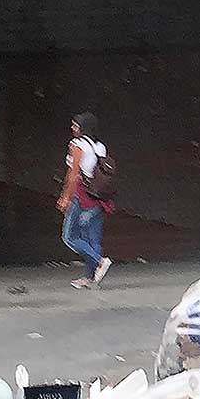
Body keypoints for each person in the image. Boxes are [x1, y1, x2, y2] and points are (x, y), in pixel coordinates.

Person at [57, 113, 112, 289]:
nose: (73, 128)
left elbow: (73, 174)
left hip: (81, 195)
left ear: (83, 127)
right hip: (99, 197)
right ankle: (91, 278)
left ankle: (99, 261)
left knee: (69, 237)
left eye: (75, 125)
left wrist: (65, 197)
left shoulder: (77, 145)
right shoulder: (100, 147)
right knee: (92, 238)